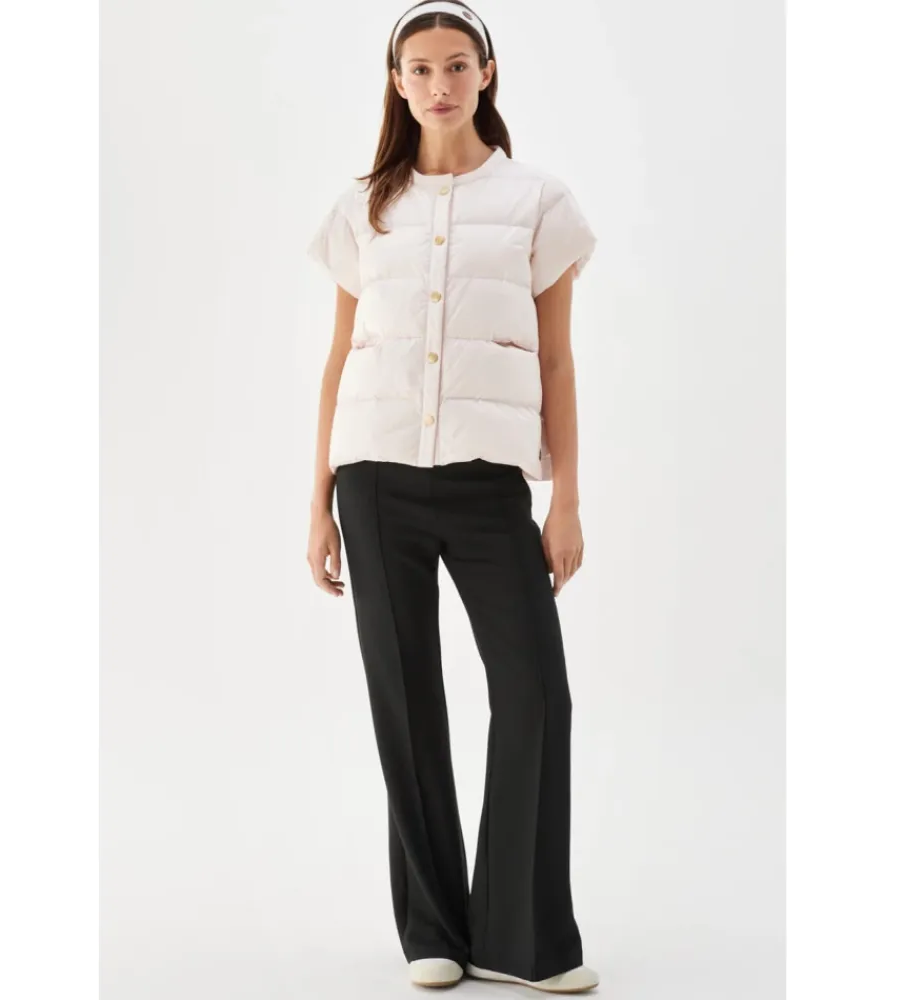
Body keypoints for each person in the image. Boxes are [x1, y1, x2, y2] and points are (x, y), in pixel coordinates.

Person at [305, 1, 599, 992]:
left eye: (457, 65)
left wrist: (564, 500)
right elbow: (341, 356)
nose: (440, 84)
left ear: (487, 73)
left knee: (535, 694)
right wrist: (318, 500)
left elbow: (556, 360)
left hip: (486, 486)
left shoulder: (538, 201)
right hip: (373, 481)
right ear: (397, 83)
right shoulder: (363, 208)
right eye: (421, 68)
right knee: (406, 702)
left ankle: (522, 938)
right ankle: (432, 928)